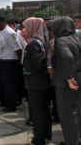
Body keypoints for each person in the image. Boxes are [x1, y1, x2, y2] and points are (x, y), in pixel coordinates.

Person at [49, 17, 81, 145]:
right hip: (78, 78)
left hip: (66, 83)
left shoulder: (61, 41)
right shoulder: (77, 38)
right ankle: (74, 140)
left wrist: (68, 76)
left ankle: (71, 142)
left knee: (67, 115)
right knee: (76, 113)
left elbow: (68, 57)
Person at [23, 17, 52, 145]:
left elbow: (38, 63)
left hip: (35, 82)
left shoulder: (34, 43)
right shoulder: (41, 41)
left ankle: (38, 140)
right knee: (44, 110)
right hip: (42, 81)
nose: (24, 29)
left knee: (38, 112)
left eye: (27, 26)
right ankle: (45, 136)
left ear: (33, 27)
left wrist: (47, 69)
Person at [0, 16, 22, 112]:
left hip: (10, 62)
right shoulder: (1, 32)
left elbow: (18, 49)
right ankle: (3, 101)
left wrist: (17, 62)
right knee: (1, 83)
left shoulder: (10, 33)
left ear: (2, 22)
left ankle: (11, 105)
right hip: (2, 60)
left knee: (9, 85)